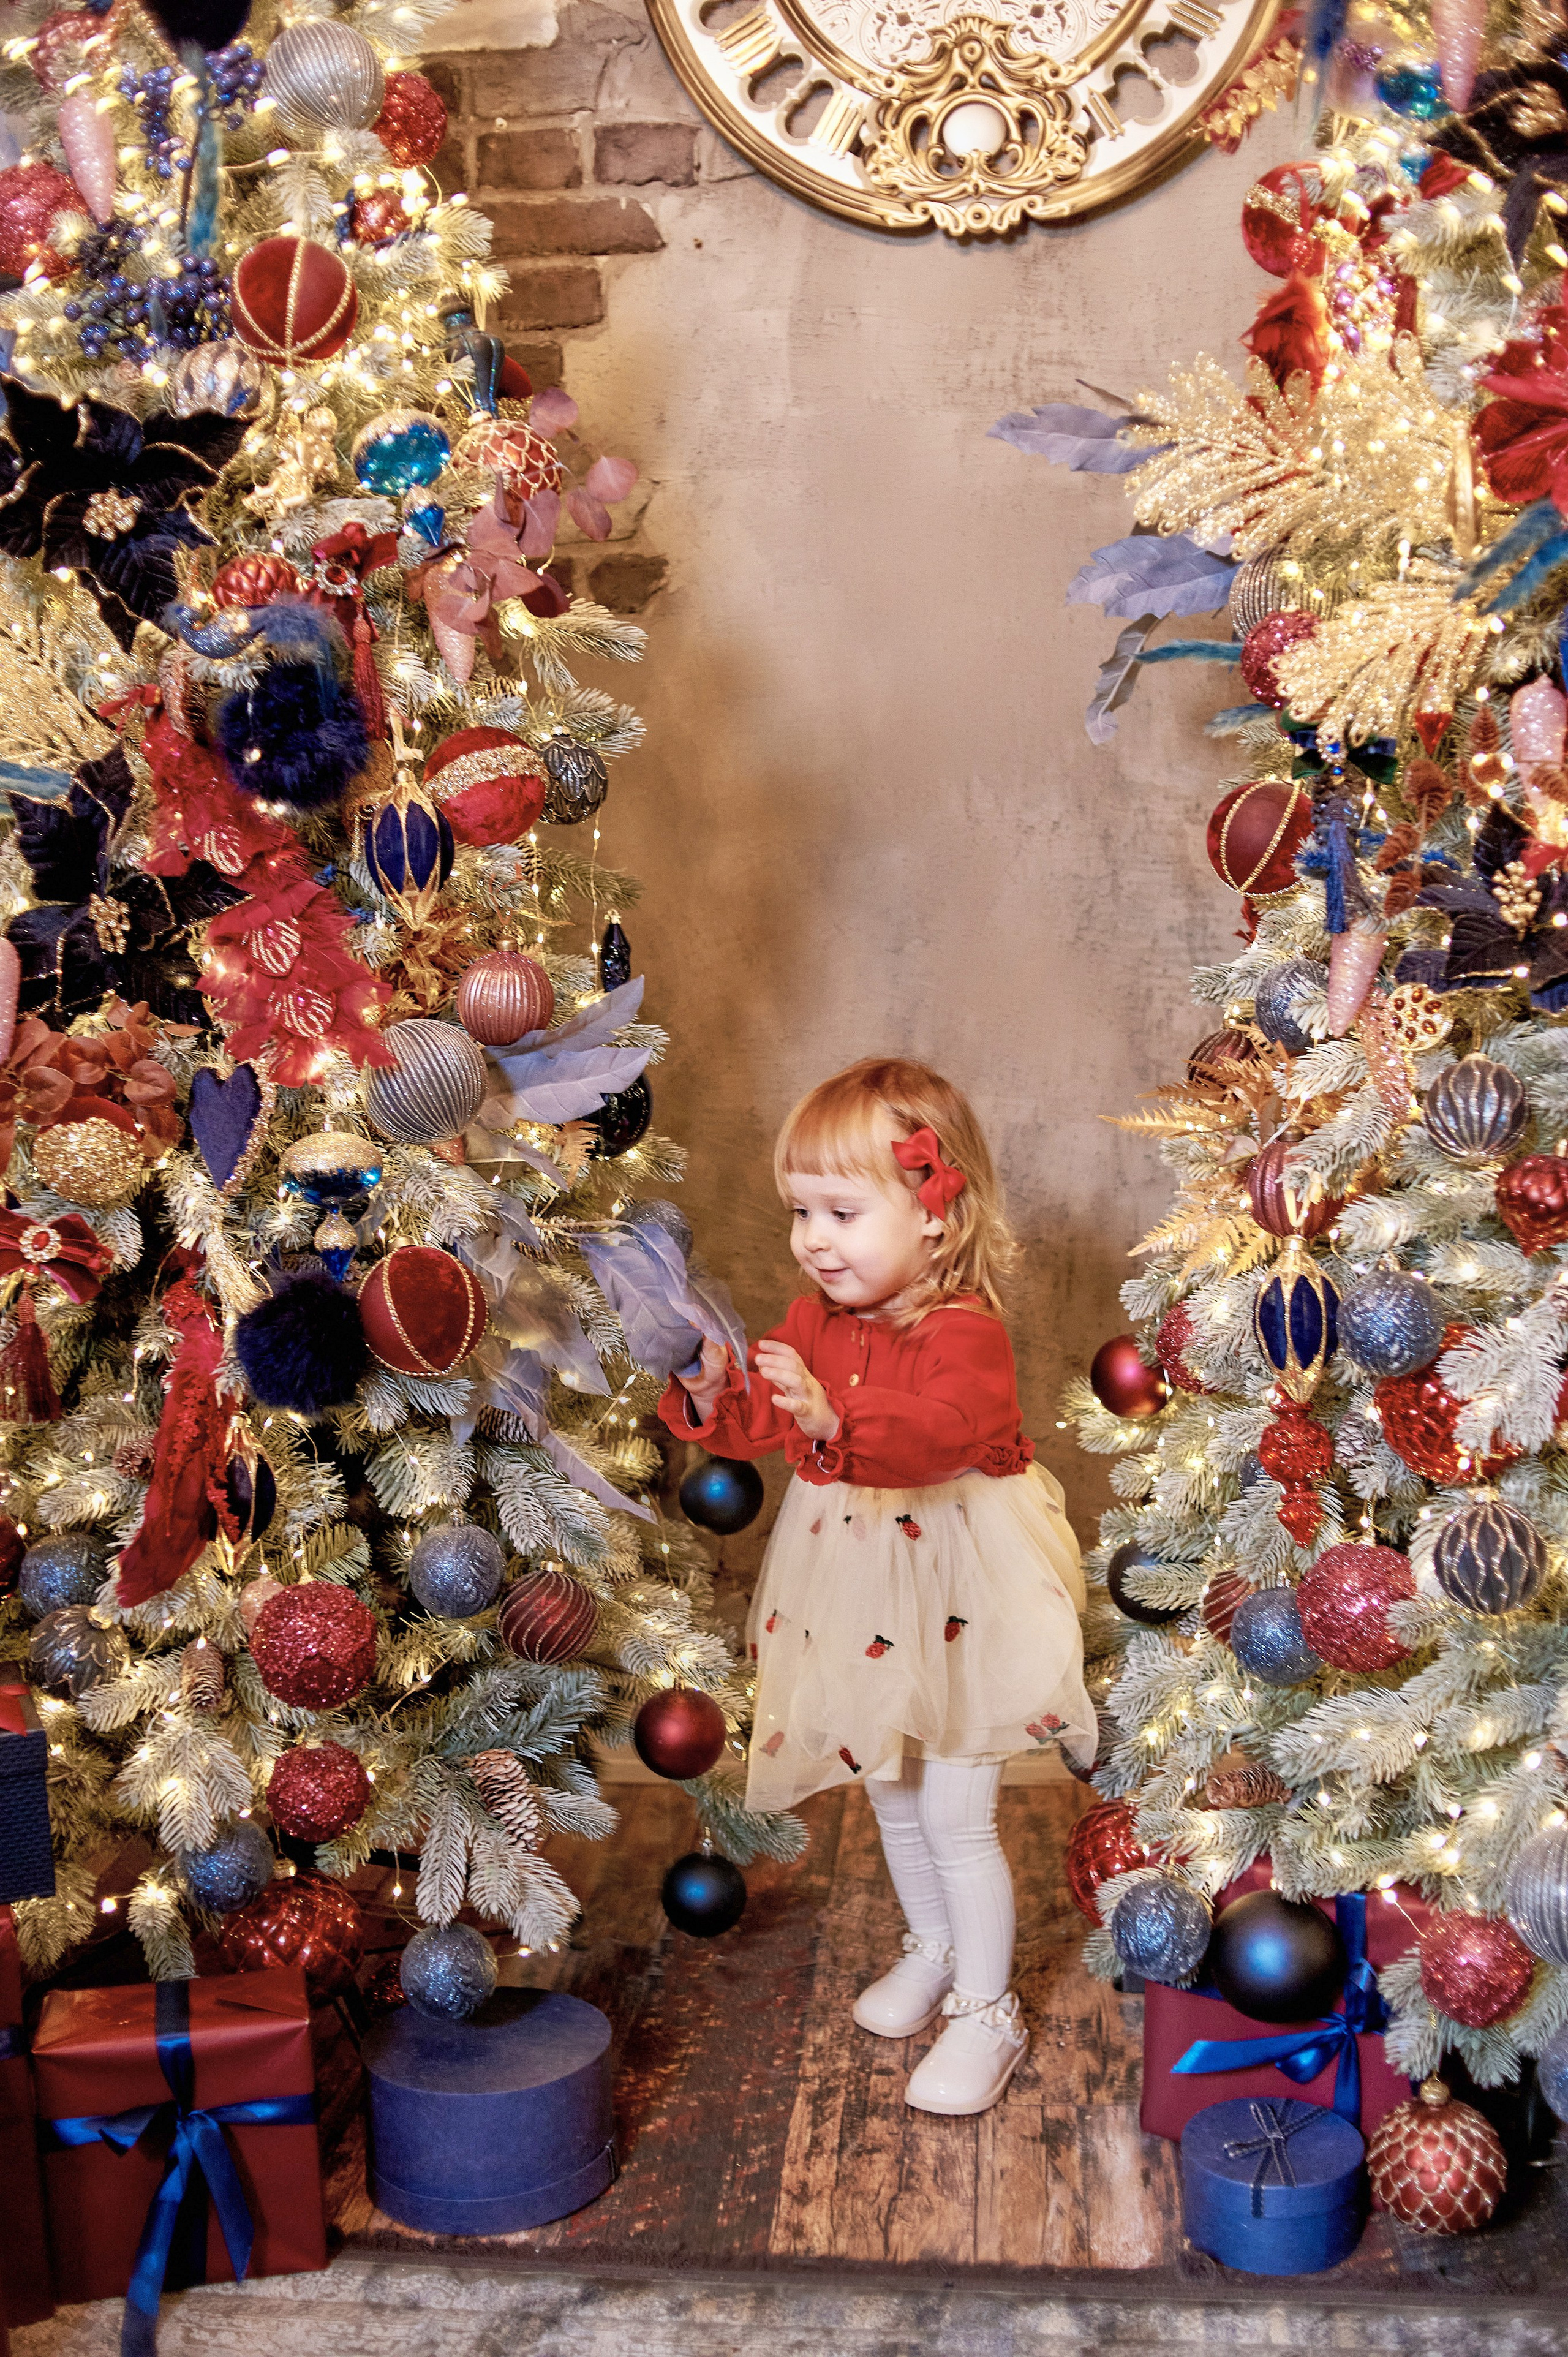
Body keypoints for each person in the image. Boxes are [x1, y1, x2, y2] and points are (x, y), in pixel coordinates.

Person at [660, 1055, 1095, 2118]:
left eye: (844, 1211)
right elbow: (771, 1428)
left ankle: (988, 2008)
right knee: (890, 1790)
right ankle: (936, 1948)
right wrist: (721, 1400)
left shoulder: (967, 1331)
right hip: (856, 1581)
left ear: (935, 1217)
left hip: (962, 1582)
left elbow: (946, 1433)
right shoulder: (814, 1319)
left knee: (955, 1807)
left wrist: (831, 1422)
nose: (814, 1238)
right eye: (802, 1211)